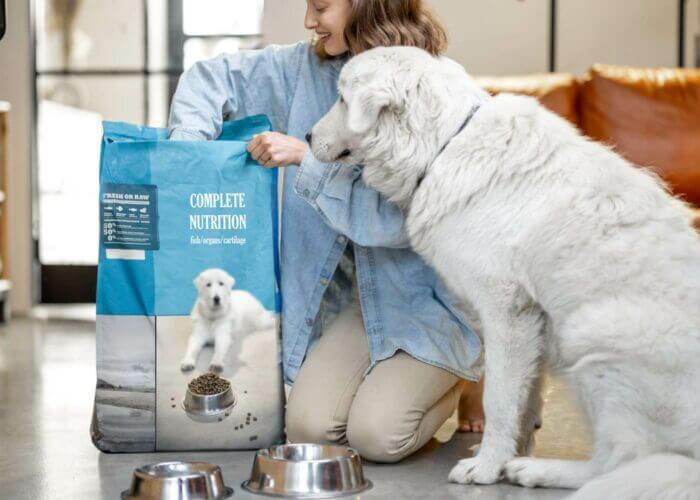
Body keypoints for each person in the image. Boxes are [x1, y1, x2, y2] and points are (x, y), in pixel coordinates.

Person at [169, 0, 484, 463]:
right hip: (358, 306)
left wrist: (307, 160)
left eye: (321, 6)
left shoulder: (436, 88)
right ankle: (402, 383)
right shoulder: (302, 68)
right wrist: (188, 158)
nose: (308, 20)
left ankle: (466, 375)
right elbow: (209, 77)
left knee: (376, 437)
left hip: (427, 303)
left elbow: (400, 220)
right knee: (308, 428)